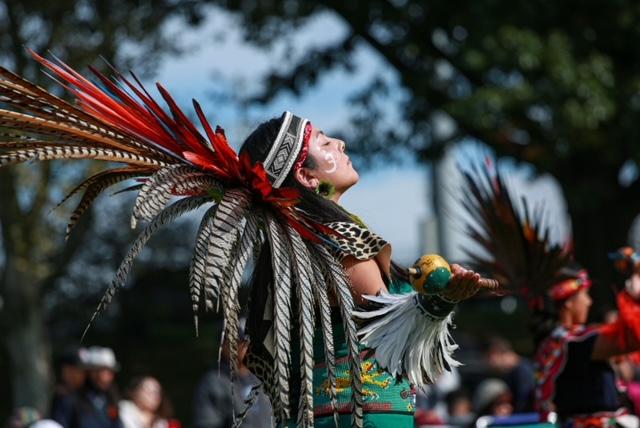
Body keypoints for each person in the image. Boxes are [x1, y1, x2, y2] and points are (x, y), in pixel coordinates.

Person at [0, 55, 492, 428]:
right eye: (324, 143)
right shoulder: (333, 235)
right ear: (304, 173)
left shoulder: (297, 240)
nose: (339, 143)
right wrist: (435, 302)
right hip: (364, 414)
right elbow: (382, 330)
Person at [461, 166, 640, 427]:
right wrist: (635, 285)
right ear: (567, 301)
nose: (589, 302)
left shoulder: (557, 343)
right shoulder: (573, 343)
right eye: (585, 295)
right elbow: (634, 336)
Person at [193, 319, 272, 428]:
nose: (246, 345)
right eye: (240, 340)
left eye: (249, 340)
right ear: (224, 345)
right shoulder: (213, 383)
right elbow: (206, 423)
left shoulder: (263, 376)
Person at [53, 346, 123, 428]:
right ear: (87, 372)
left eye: (109, 372)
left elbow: (117, 424)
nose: (104, 378)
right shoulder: (68, 400)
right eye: (98, 371)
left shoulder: (111, 400)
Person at [484, 336, 535, 412]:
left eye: (488, 357)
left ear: (495, 353)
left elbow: (523, 406)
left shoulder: (523, 372)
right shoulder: (512, 373)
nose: (488, 363)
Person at [50, 347, 89, 423]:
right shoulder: (63, 398)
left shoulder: (90, 394)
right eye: (77, 370)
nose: (83, 374)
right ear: (65, 370)